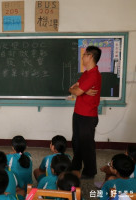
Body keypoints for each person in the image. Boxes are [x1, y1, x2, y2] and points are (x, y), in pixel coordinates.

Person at [69, 46, 102, 179]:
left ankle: (90, 171)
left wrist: (79, 91)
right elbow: (72, 88)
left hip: (88, 116)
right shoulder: (86, 73)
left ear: (90, 57)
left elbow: (76, 91)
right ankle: (76, 165)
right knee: (76, 141)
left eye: (84, 55)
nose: (82, 57)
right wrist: (80, 91)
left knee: (87, 145)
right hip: (78, 113)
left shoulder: (94, 74)